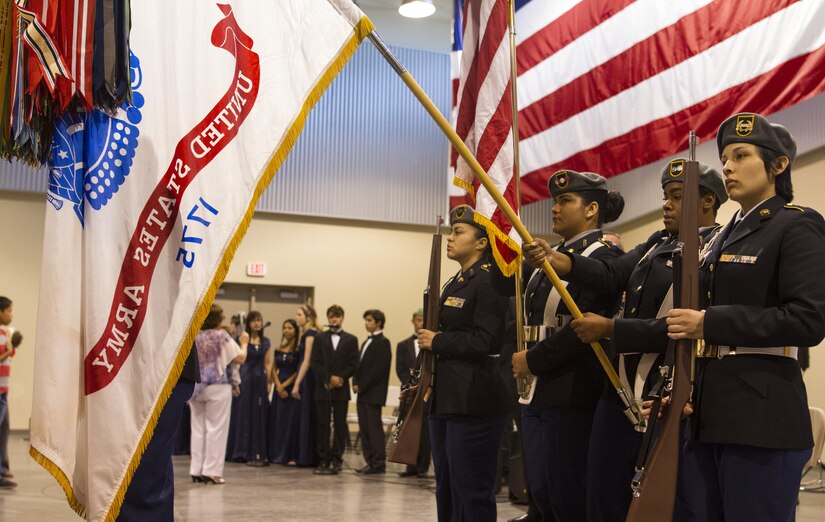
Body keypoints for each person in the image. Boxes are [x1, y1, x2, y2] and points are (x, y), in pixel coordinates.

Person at [535, 160, 727, 521]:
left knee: (663, 502)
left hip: (669, 389)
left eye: (676, 197)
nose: (666, 205)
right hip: (620, 388)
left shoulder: (716, 249)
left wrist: (612, 329)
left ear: (707, 201)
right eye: (664, 197)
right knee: (603, 494)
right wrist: (560, 260)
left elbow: (682, 326)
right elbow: (611, 274)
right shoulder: (657, 241)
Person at [666, 113, 825, 521]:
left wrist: (710, 322)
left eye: (741, 155)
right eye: (725, 158)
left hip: (761, 415)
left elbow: (808, 320)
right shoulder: (722, 236)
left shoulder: (797, 225)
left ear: (778, 165)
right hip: (707, 412)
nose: (728, 167)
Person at [498, 170, 625, 520]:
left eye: (566, 201)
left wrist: (533, 360)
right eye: (555, 201)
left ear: (591, 209)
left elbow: (583, 326)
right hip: (536, 388)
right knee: (539, 492)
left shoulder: (605, 256)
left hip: (572, 388)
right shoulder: (547, 257)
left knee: (567, 492)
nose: (555, 208)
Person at [417, 205, 510, 522]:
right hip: (447, 398)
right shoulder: (456, 281)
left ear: (482, 242)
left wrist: (438, 341)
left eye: (459, 232)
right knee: (446, 486)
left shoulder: (489, 282)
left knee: (471, 490)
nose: (451, 238)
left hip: (475, 400)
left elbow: (488, 340)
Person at [189, 304, 248, 484]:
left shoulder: (195, 336)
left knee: (198, 429)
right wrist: (244, 343)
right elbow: (239, 358)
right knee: (216, 428)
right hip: (218, 385)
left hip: (197, 387)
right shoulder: (222, 336)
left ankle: (196, 468)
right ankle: (212, 470)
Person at [310, 305, 358, 475]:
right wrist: (328, 378)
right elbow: (315, 363)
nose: (334, 320)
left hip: (341, 388)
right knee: (322, 424)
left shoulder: (351, 340)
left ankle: (337, 458)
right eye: (331, 317)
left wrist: (339, 378)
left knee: (339, 425)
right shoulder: (320, 338)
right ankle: (323, 458)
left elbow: (353, 364)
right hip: (323, 387)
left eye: (337, 317)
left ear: (342, 318)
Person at [228, 310, 270, 465]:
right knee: (243, 413)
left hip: (260, 379)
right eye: (254, 320)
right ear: (249, 323)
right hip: (245, 377)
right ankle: (241, 450)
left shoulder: (266, 341)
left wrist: (269, 382)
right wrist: (236, 382)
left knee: (257, 414)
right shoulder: (242, 339)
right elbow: (237, 360)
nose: (257, 323)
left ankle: (256, 450)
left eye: (259, 320)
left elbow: (267, 363)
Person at [353, 309, 392, 474]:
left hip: (373, 393)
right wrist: (355, 381)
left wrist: (362, 385)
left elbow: (378, 370)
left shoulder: (383, 342)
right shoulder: (366, 342)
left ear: (378, 322)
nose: (366, 323)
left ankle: (378, 462)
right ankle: (369, 460)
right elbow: (359, 366)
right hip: (362, 392)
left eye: (369, 320)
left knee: (374, 429)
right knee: (365, 428)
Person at [395, 308, 431, 478]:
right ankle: (410, 466)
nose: (421, 323)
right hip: (410, 392)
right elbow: (400, 369)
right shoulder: (403, 345)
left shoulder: (431, 345)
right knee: (408, 429)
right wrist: (411, 384)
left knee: (424, 431)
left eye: (424, 320)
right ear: (413, 321)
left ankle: (422, 467)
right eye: (418, 320)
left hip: (426, 392)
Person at [267, 319, 302, 464]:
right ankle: (275, 453)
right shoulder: (279, 348)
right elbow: (274, 368)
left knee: (289, 422)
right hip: (278, 387)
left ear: (295, 331)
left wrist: (285, 385)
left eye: (290, 328)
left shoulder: (298, 350)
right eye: (284, 328)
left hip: (290, 387)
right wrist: (277, 384)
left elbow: (297, 371)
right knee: (277, 420)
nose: (287, 330)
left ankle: (288, 455)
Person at [291, 304, 321, 467]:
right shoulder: (309, 333)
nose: (297, 317)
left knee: (306, 416)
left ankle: (305, 456)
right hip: (307, 378)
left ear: (308, 317)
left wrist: (296, 384)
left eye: (299, 314)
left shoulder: (310, 334)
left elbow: (307, 361)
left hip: (307, 380)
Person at [0, 297, 15, 489]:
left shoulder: (4, 332)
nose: (12, 314)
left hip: (4, 391)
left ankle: (3, 467)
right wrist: (8, 351)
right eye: (9, 311)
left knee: (4, 430)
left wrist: (10, 348)